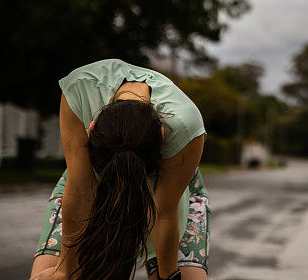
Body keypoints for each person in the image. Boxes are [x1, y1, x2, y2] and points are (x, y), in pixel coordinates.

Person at [29, 58, 209, 280]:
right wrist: (64, 270)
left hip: (173, 192)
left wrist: (168, 276)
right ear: (91, 128)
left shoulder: (184, 124)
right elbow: (80, 191)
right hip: (88, 183)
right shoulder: (80, 91)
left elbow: (163, 212)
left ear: (162, 134)